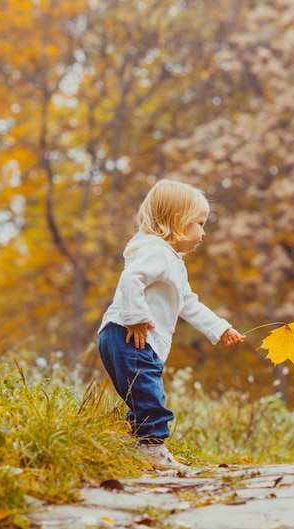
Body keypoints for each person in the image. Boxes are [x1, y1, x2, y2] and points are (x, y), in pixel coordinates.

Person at [97, 179, 246, 469]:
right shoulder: (158, 253)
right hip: (131, 335)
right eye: (199, 224)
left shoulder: (170, 260)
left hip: (121, 335)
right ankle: (152, 451)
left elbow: (187, 303)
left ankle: (137, 448)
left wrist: (220, 328)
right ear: (177, 222)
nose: (203, 234)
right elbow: (131, 280)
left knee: (140, 396)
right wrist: (137, 319)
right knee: (150, 394)